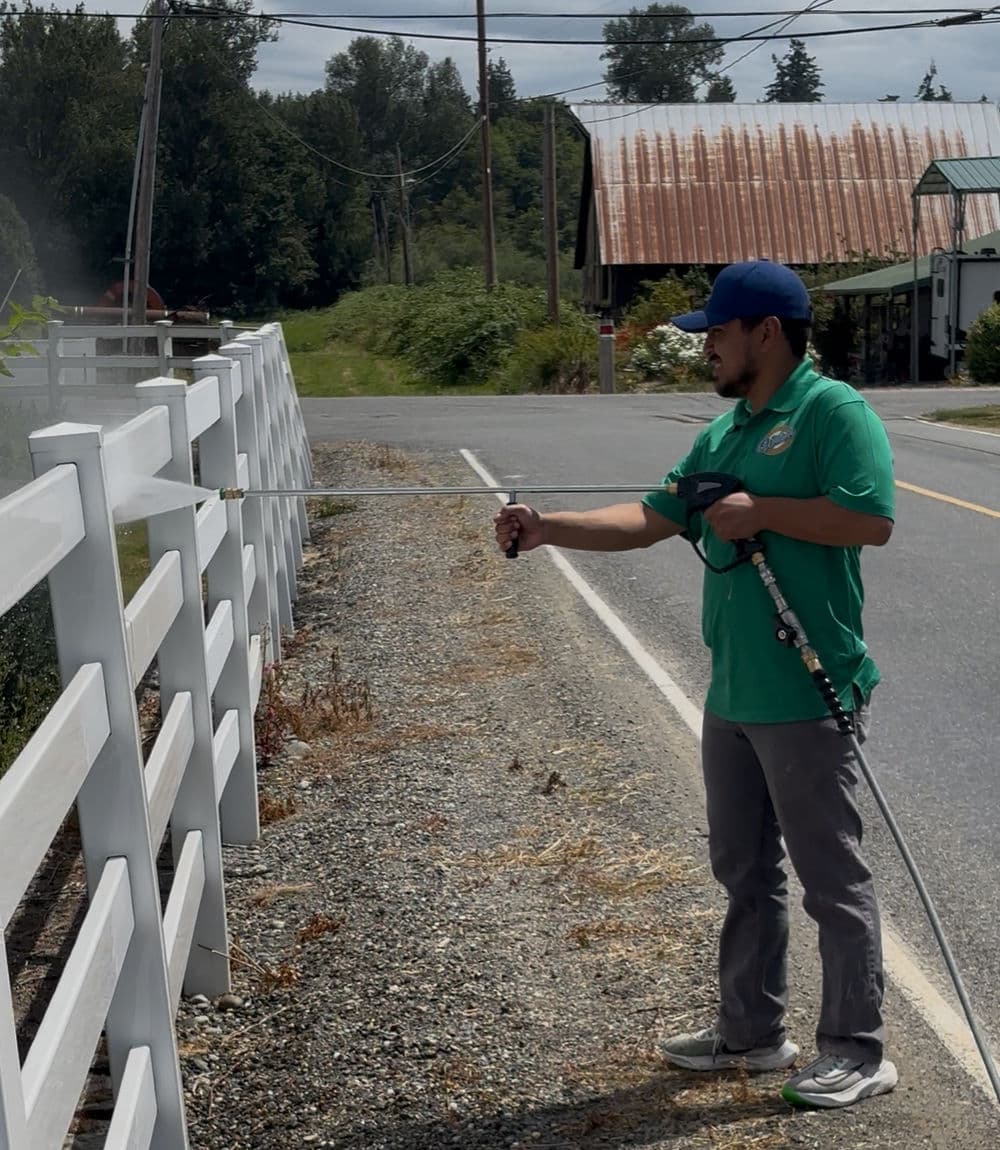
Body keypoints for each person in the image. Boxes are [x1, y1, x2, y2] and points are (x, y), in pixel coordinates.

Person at [493, 260, 897, 1111]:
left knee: (832, 879)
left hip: (807, 688)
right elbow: (653, 516)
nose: (704, 348)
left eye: (714, 332)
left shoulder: (831, 412)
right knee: (743, 870)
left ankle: (857, 1051)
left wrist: (764, 512)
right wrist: (546, 530)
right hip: (735, 692)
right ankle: (751, 1033)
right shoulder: (724, 434)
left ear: (766, 333)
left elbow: (871, 519)